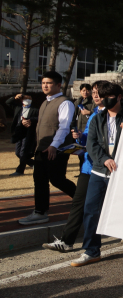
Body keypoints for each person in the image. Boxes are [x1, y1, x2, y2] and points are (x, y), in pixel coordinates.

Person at [71, 82, 123, 267]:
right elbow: (91, 144)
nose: (104, 100)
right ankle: (92, 251)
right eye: (101, 96)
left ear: (119, 97)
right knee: (91, 210)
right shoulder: (98, 119)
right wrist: (104, 159)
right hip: (100, 172)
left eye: (109, 97)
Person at [43, 80, 106, 252]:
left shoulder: (113, 115)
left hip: (106, 168)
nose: (94, 94)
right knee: (80, 203)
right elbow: (87, 137)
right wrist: (78, 137)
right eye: (93, 91)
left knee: (99, 206)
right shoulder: (93, 114)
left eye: (98, 92)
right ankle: (67, 241)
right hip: (88, 166)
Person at [18, 71, 76, 226]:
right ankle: (40, 212)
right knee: (39, 179)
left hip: (56, 149)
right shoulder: (45, 102)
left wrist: (54, 145)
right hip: (42, 148)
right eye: (43, 83)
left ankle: (83, 201)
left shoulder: (65, 103)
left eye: (49, 83)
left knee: (57, 179)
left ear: (58, 85)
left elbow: (63, 127)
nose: (45, 86)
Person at [7, 94, 38, 176]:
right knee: (18, 152)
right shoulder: (18, 108)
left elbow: (39, 118)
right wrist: (14, 97)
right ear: (22, 101)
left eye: (29, 99)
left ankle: (20, 170)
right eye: (26, 99)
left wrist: (30, 120)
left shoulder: (34, 110)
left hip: (28, 132)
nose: (28, 101)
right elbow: (8, 102)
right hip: (18, 131)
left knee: (23, 152)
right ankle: (33, 163)